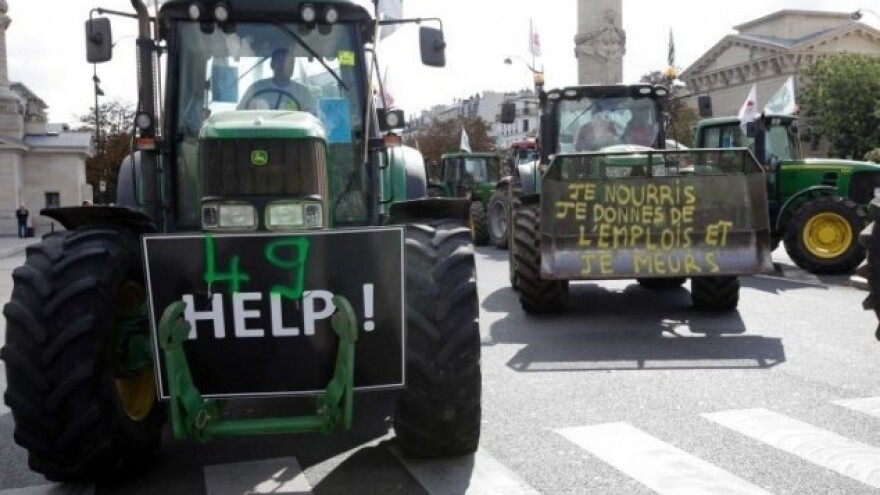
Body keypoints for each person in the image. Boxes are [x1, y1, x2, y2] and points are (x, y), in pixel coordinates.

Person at [238, 48, 316, 113]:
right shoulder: (255, 89)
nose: (284, 65)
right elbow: (239, 115)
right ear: (272, 65)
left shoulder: (303, 93)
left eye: (289, 63)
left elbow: (312, 120)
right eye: (280, 61)